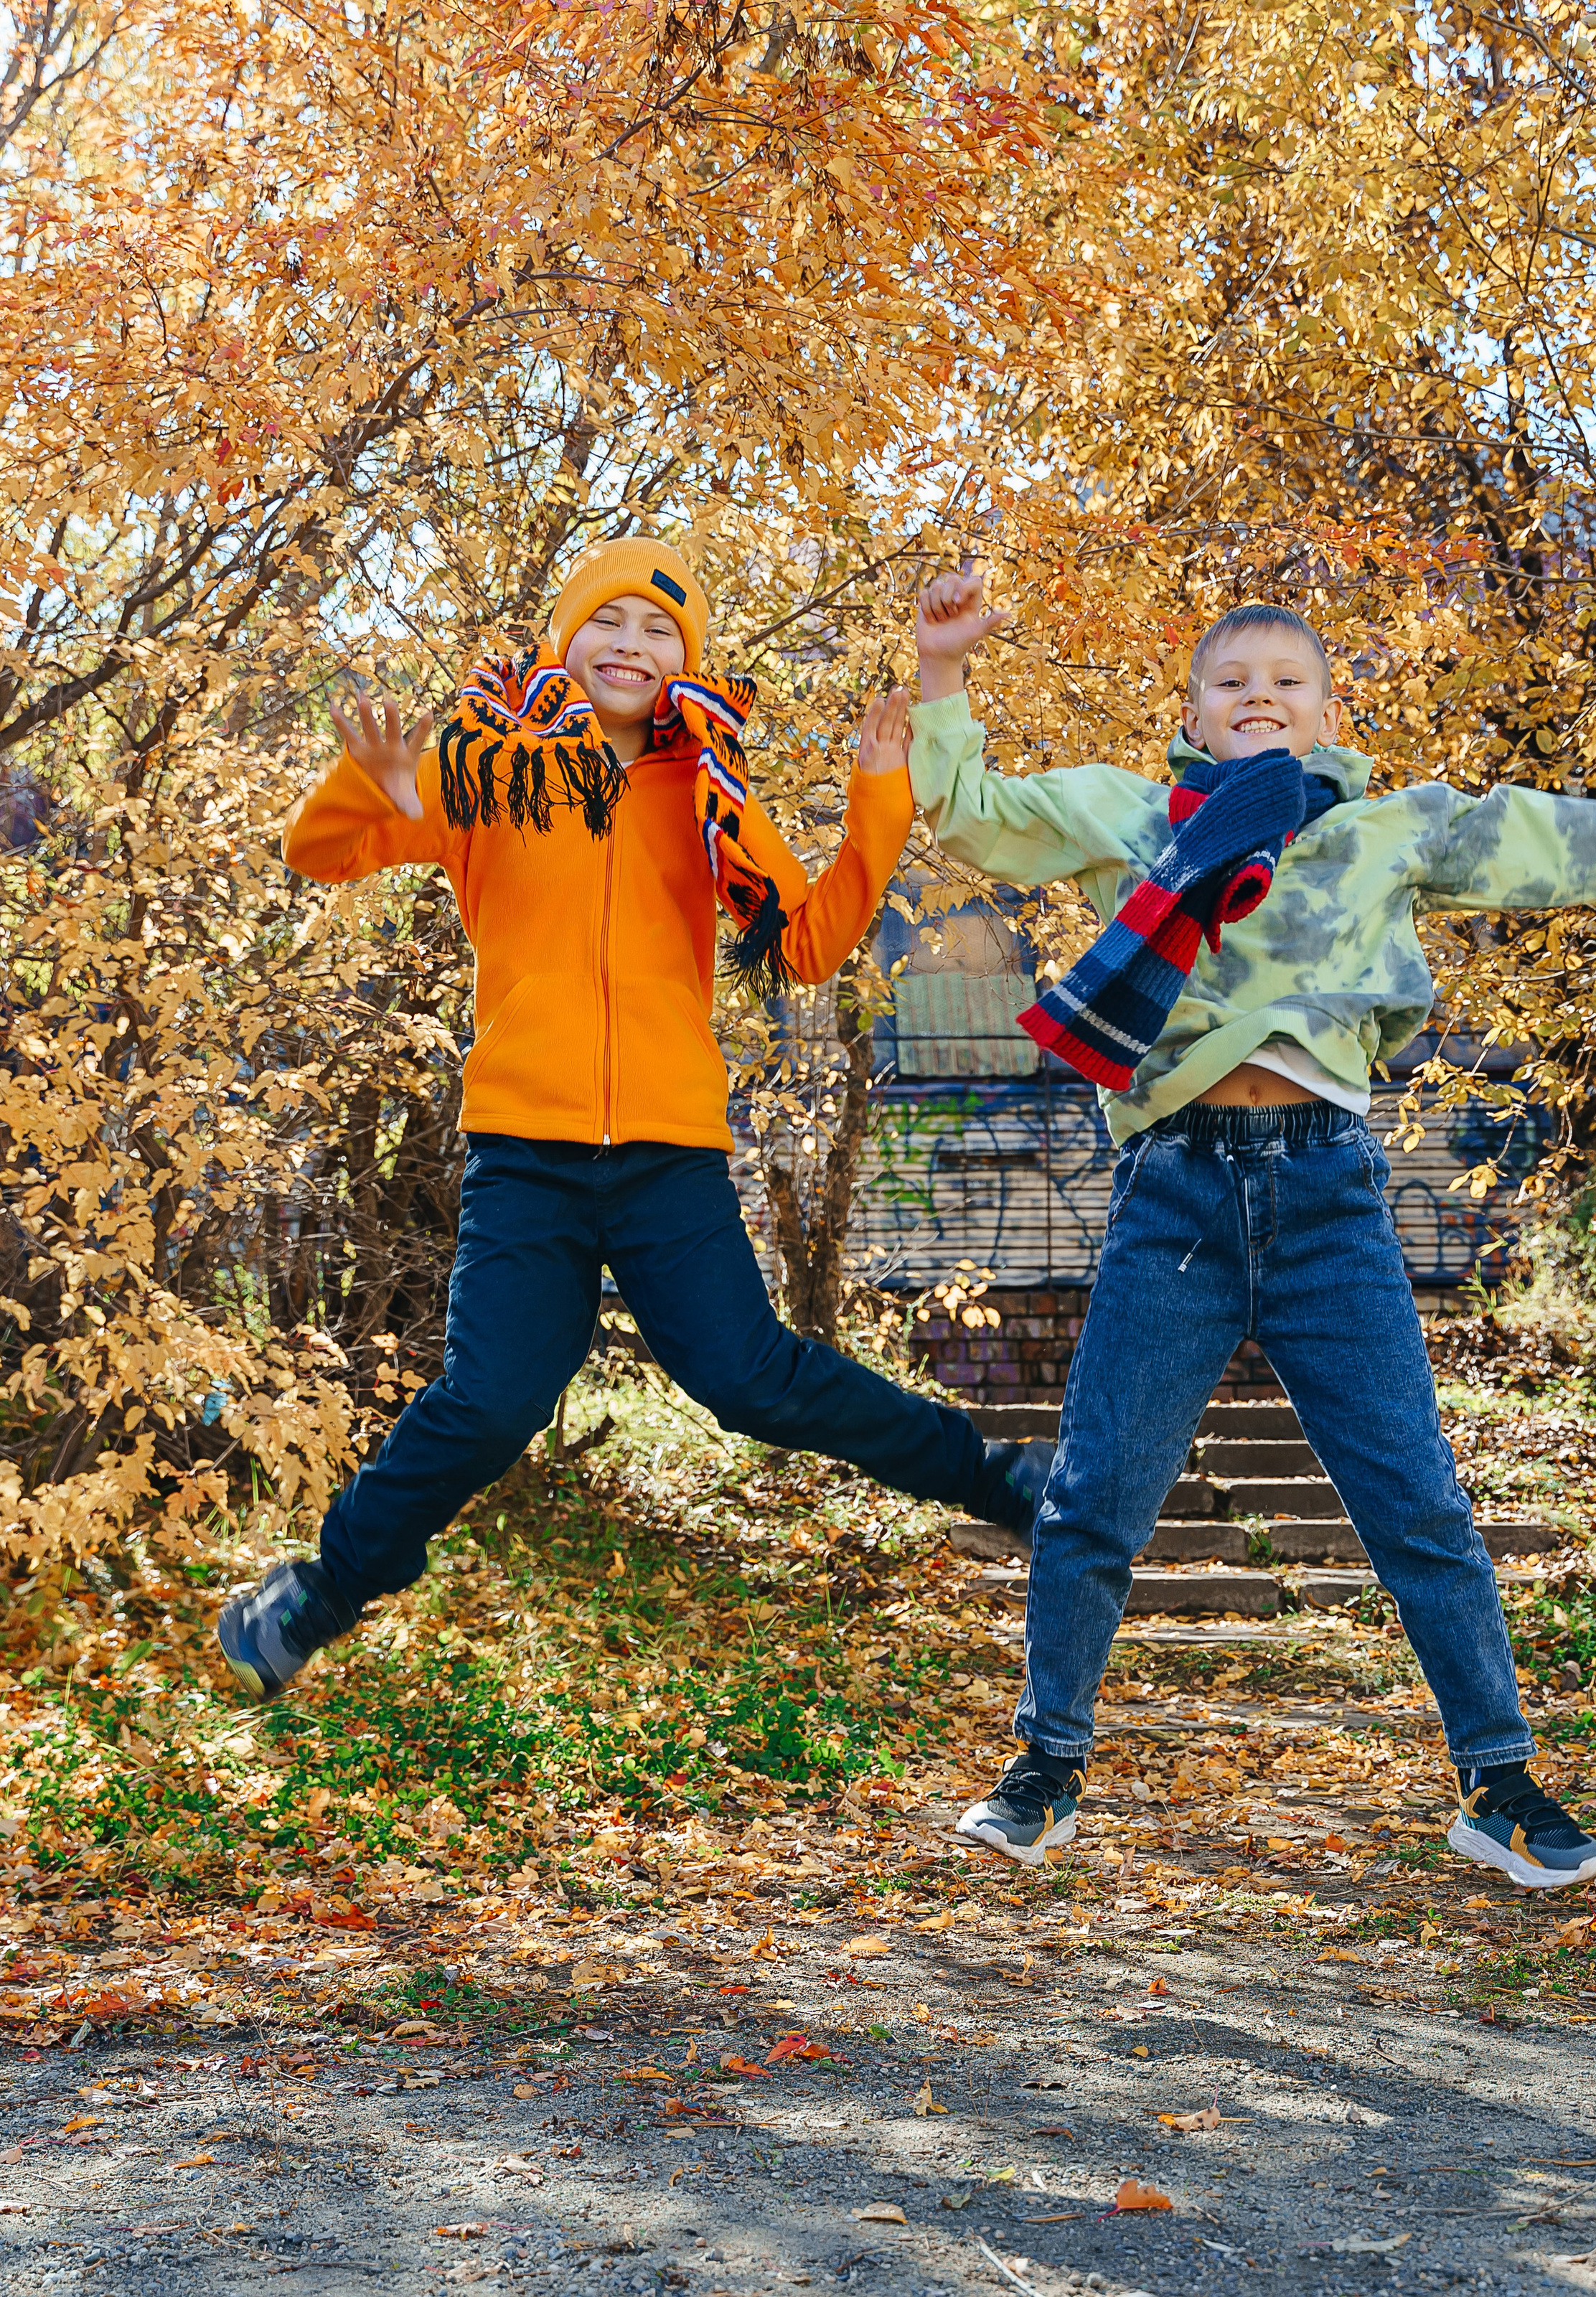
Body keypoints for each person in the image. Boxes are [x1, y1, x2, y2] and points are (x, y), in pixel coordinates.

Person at [893, 569, 1596, 1889]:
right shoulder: (1138, 816)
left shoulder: (1380, 827)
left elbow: (1526, 840)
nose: (1259, 699)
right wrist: (945, 676)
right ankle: (1046, 1765)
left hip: (1327, 1197)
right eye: (1232, 683)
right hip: (1176, 1193)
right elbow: (982, 816)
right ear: (1192, 710)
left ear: (1326, 710)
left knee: (1414, 1496)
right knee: (1096, 1494)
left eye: (1286, 683)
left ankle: (1499, 1780)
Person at [215, 540, 1049, 1701]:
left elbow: (806, 944)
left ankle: (1004, 1485)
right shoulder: (489, 767)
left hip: (667, 1152)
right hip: (528, 1152)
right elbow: (321, 850)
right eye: (610, 621)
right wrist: (377, 786)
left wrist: (876, 796)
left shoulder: (706, 789)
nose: (633, 646)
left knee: (752, 1379)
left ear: (686, 661)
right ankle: (315, 1596)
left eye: (662, 631)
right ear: (569, 637)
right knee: (495, 1394)